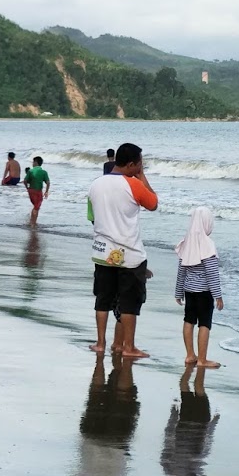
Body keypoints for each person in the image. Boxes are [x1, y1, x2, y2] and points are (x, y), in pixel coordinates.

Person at [87, 142, 159, 359]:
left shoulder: (96, 184)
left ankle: (100, 343)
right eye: (139, 164)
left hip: (101, 250)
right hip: (129, 252)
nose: (140, 167)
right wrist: (142, 176)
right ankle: (129, 346)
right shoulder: (133, 184)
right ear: (130, 164)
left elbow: (92, 216)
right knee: (129, 303)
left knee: (103, 298)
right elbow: (153, 203)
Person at [174, 206, 226, 368]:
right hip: (204, 293)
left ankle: (190, 355)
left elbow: (181, 271)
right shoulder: (207, 245)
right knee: (204, 323)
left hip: (189, 291)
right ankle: (202, 359)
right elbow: (212, 274)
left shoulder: (186, 242)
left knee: (189, 320)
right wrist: (218, 296)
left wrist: (178, 292)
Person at [25, 155, 51, 225]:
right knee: (36, 207)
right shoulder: (43, 172)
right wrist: (46, 191)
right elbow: (48, 183)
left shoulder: (30, 171)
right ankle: (33, 223)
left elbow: (25, 181)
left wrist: (27, 188)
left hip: (30, 191)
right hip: (38, 191)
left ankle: (32, 221)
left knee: (35, 207)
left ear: (36, 162)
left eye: (33, 162)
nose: (32, 163)